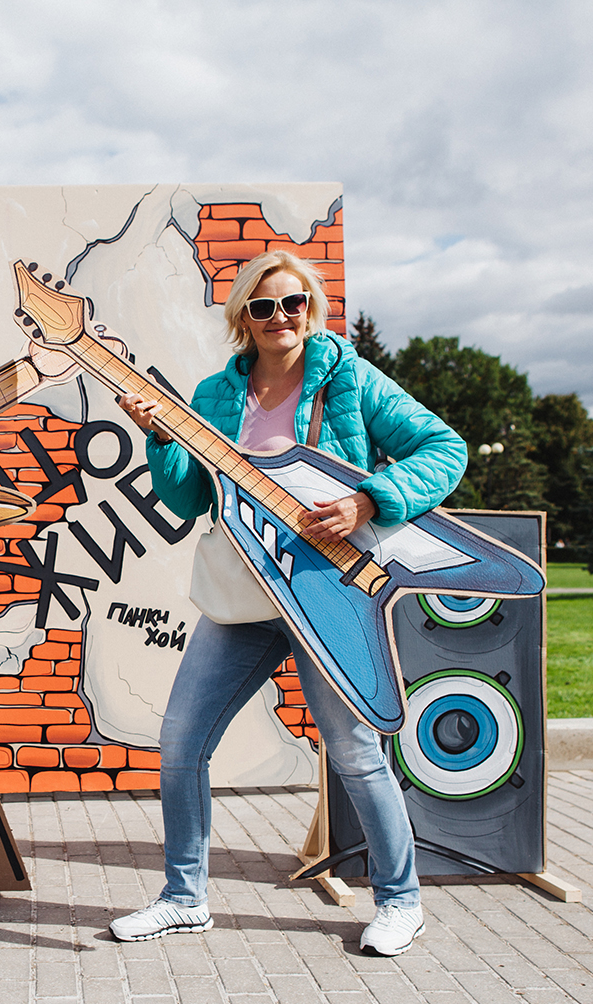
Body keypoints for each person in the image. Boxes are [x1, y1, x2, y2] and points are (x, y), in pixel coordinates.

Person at [108, 250, 466, 956]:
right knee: (180, 744)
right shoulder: (214, 394)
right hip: (244, 594)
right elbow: (186, 500)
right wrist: (160, 437)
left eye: (294, 302)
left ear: (313, 307)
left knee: (356, 750)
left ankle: (401, 901)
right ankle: (184, 897)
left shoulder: (350, 379)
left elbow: (443, 447)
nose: (281, 317)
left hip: (324, 588)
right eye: (265, 306)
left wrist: (372, 498)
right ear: (244, 314)